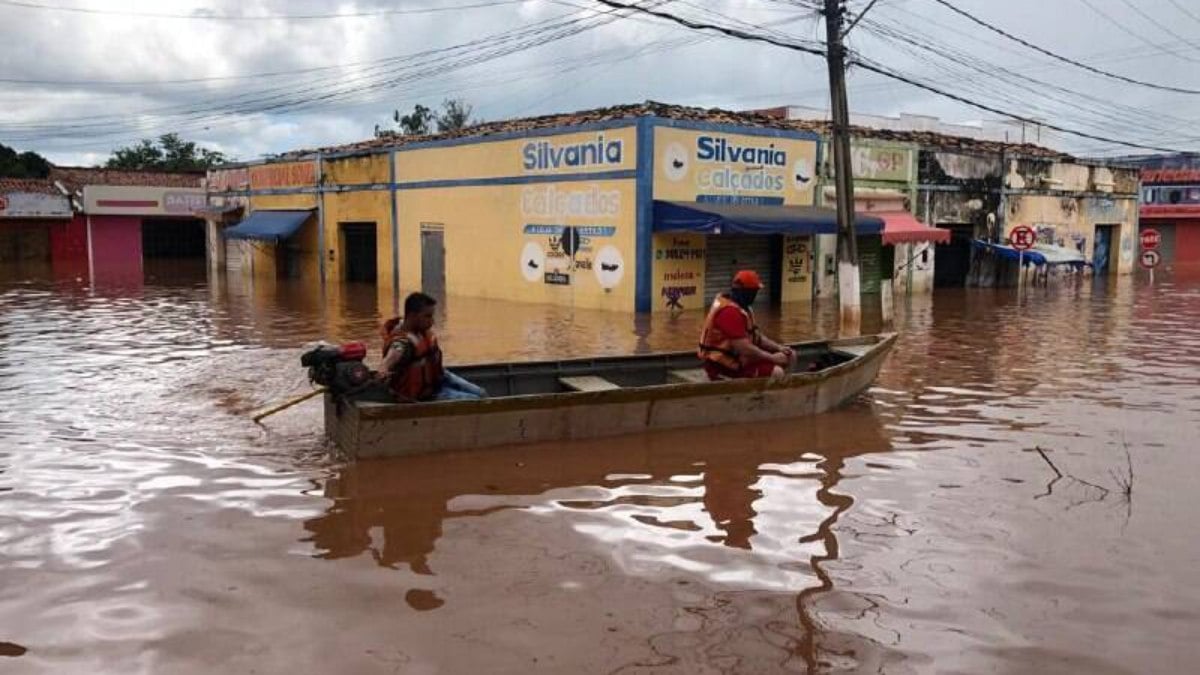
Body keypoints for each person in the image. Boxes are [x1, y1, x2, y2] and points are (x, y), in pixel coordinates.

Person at [378, 292, 488, 402]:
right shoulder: (402, 341)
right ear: (412, 316)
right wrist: (384, 367)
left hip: (438, 377)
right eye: (427, 316)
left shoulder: (421, 330)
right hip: (424, 395)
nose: (432, 321)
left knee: (482, 393)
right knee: (475, 401)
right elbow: (393, 355)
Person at [697, 270, 796, 381]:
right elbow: (744, 348)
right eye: (754, 292)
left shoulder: (744, 308)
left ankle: (784, 389)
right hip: (723, 367)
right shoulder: (729, 312)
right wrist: (772, 358)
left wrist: (779, 347)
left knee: (790, 355)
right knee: (777, 372)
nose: (755, 295)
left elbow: (757, 337)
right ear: (745, 292)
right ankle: (769, 396)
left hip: (739, 360)